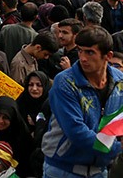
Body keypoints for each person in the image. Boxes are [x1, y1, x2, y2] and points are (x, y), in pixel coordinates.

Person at [42, 26, 123, 178]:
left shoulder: (119, 81)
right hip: (63, 168)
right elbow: (76, 132)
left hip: (100, 169)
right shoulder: (65, 82)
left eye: (90, 52)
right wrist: (117, 148)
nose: (83, 58)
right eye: (80, 51)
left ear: (108, 56)